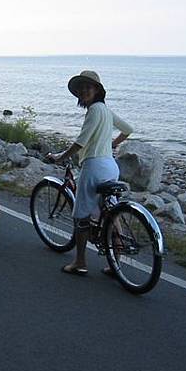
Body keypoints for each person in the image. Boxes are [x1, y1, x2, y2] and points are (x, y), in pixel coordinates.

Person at [48, 70, 133, 275]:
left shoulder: (94, 109)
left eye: (88, 87)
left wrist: (61, 156)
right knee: (109, 210)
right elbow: (128, 129)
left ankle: (80, 262)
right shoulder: (105, 110)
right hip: (110, 166)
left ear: (97, 90)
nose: (84, 91)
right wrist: (111, 144)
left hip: (94, 166)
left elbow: (81, 141)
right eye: (81, 89)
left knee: (81, 216)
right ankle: (116, 262)